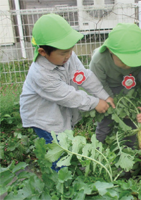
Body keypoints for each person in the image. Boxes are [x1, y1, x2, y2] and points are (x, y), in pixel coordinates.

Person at [20, 14, 114, 171]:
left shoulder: (67, 57)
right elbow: (69, 96)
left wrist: (104, 96)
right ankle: (60, 181)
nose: (69, 56)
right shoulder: (40, 74)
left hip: (58, 112)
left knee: (65, 141)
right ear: (43, 52)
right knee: (56, 149)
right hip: (43, 118)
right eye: (63, 53)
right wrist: (95, 103)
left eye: (70, 50)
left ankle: (66, 168)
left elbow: (84, 76)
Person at [89, 23, 141, 145]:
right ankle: (98, 145)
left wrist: (136, 99)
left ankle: (130, 147)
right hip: (106, 87)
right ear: (110, 51)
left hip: (130, 88)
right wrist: (108, 97)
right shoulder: (99, 61)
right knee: (105, 119)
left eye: (132, 61)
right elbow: (98, 84)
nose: (128, 66)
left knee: (130, 116)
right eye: (124, 61)